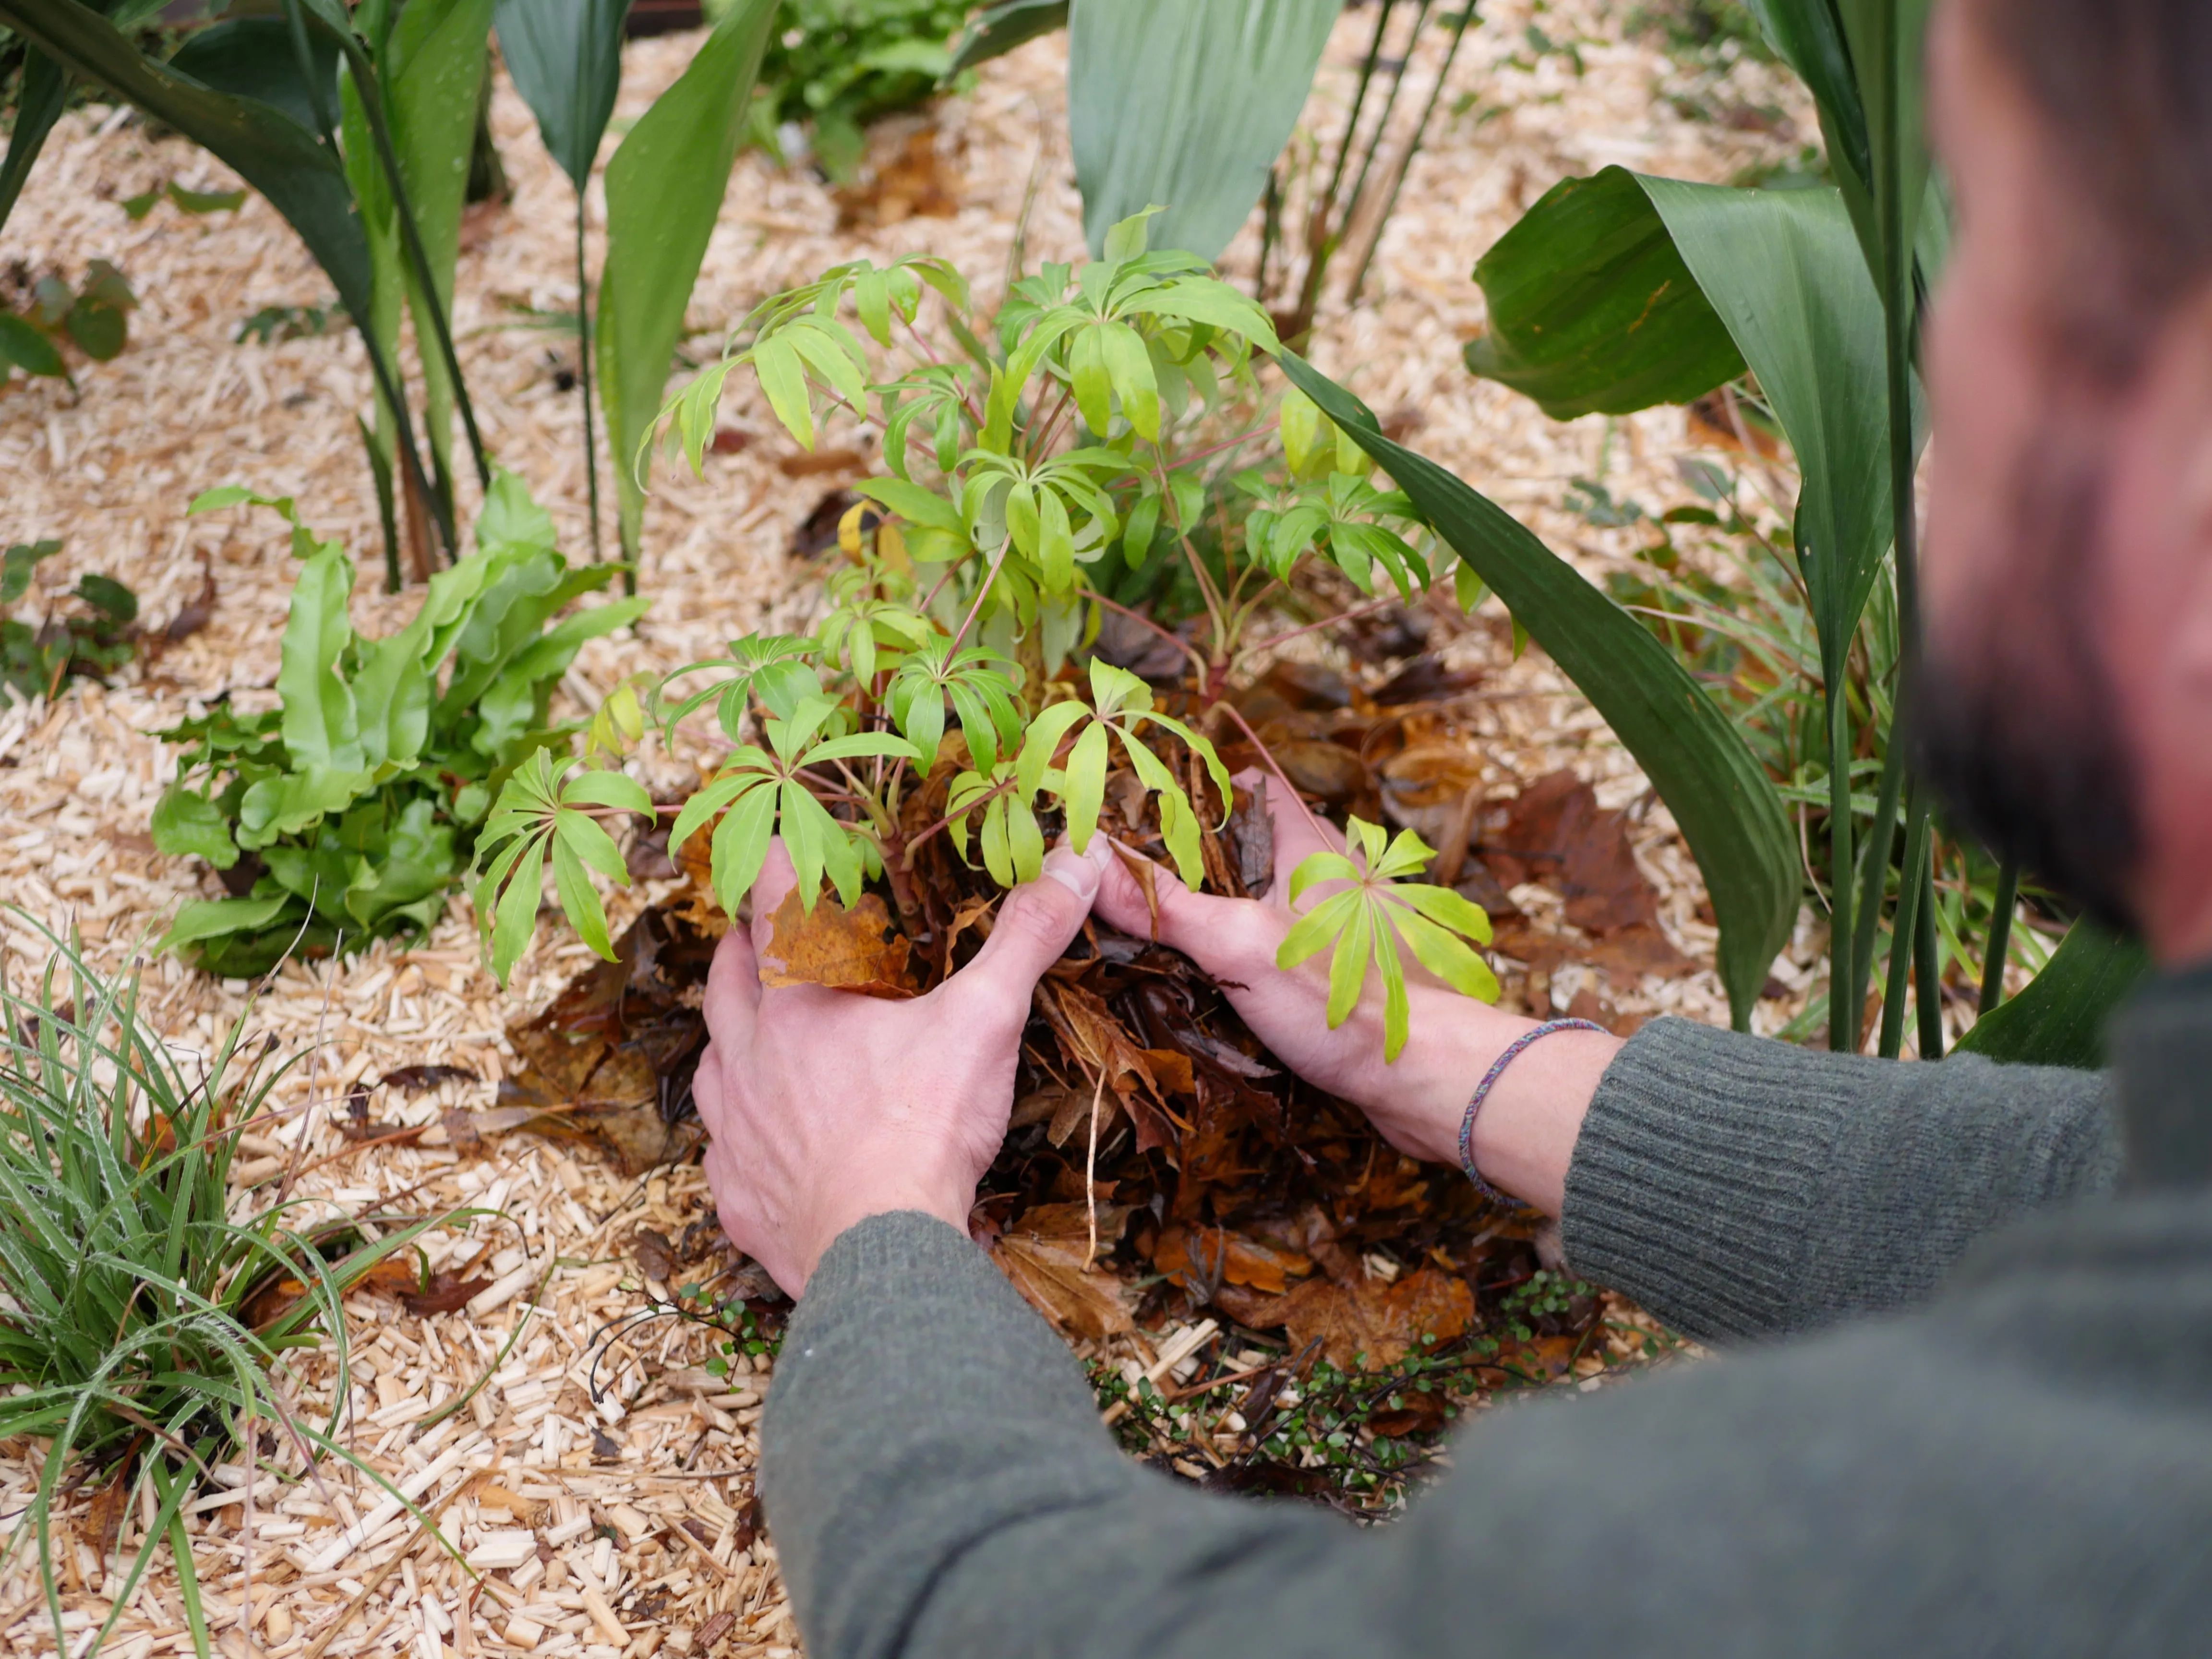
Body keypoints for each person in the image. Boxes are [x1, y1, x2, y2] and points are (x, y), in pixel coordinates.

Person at [687, 0, 2212, 1650]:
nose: (1935, 353)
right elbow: (2120, 1195)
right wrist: (1465, 1068)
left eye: (1995, 251)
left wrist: (873, 1224)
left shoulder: (1902, 1554)